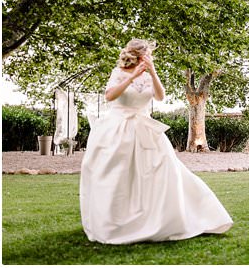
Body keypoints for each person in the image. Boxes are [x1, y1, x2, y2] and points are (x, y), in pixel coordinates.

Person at [79, 39, 232, 244]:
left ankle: (160, 219)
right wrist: (132, 76)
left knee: (162, 171)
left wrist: (152, 72)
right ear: (139, 55)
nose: (150, 57)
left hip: (144, 129)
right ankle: (115, 222)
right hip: (118, 129)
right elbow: (109, 96)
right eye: (148, 54)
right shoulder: (119, 72)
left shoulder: (148, 76)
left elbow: (160, 96)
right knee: (118, 175)